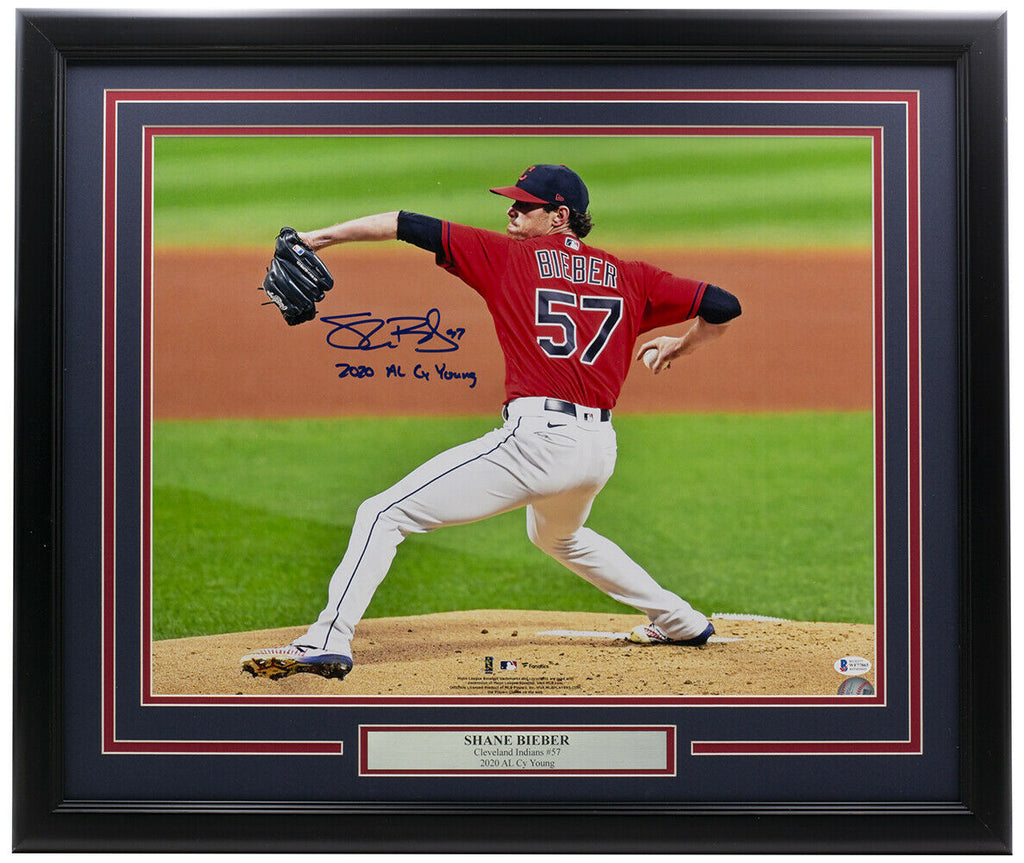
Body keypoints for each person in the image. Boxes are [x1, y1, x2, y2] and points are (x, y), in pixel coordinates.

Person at [241, 164, 741, 681]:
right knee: (560, 538)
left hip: (539, 443)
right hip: (597, 449)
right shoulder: (631, 276)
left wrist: (315, 239)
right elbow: (724, 306)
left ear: (559, 216)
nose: (512, 211)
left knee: (382, 514)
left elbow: (404, 223)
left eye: (525, 205)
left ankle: (326, 640)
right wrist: (679, 347)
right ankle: (679, 621)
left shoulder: (508, 258)